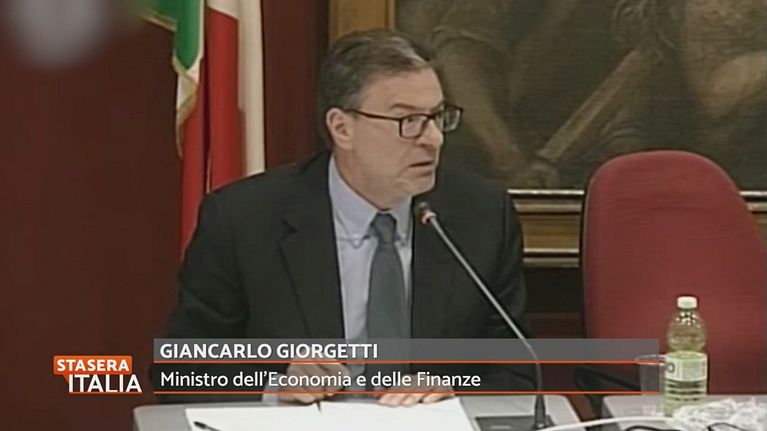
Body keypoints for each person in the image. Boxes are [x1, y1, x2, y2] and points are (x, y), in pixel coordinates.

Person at [154, 29, 530, 406]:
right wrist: (275, 383)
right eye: (408, 120)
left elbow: (517, 372)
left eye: (437, 117)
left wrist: (455, 387)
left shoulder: (481, 216)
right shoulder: (245, 219)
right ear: (342, 128)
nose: (433, 139)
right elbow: (177, 372)